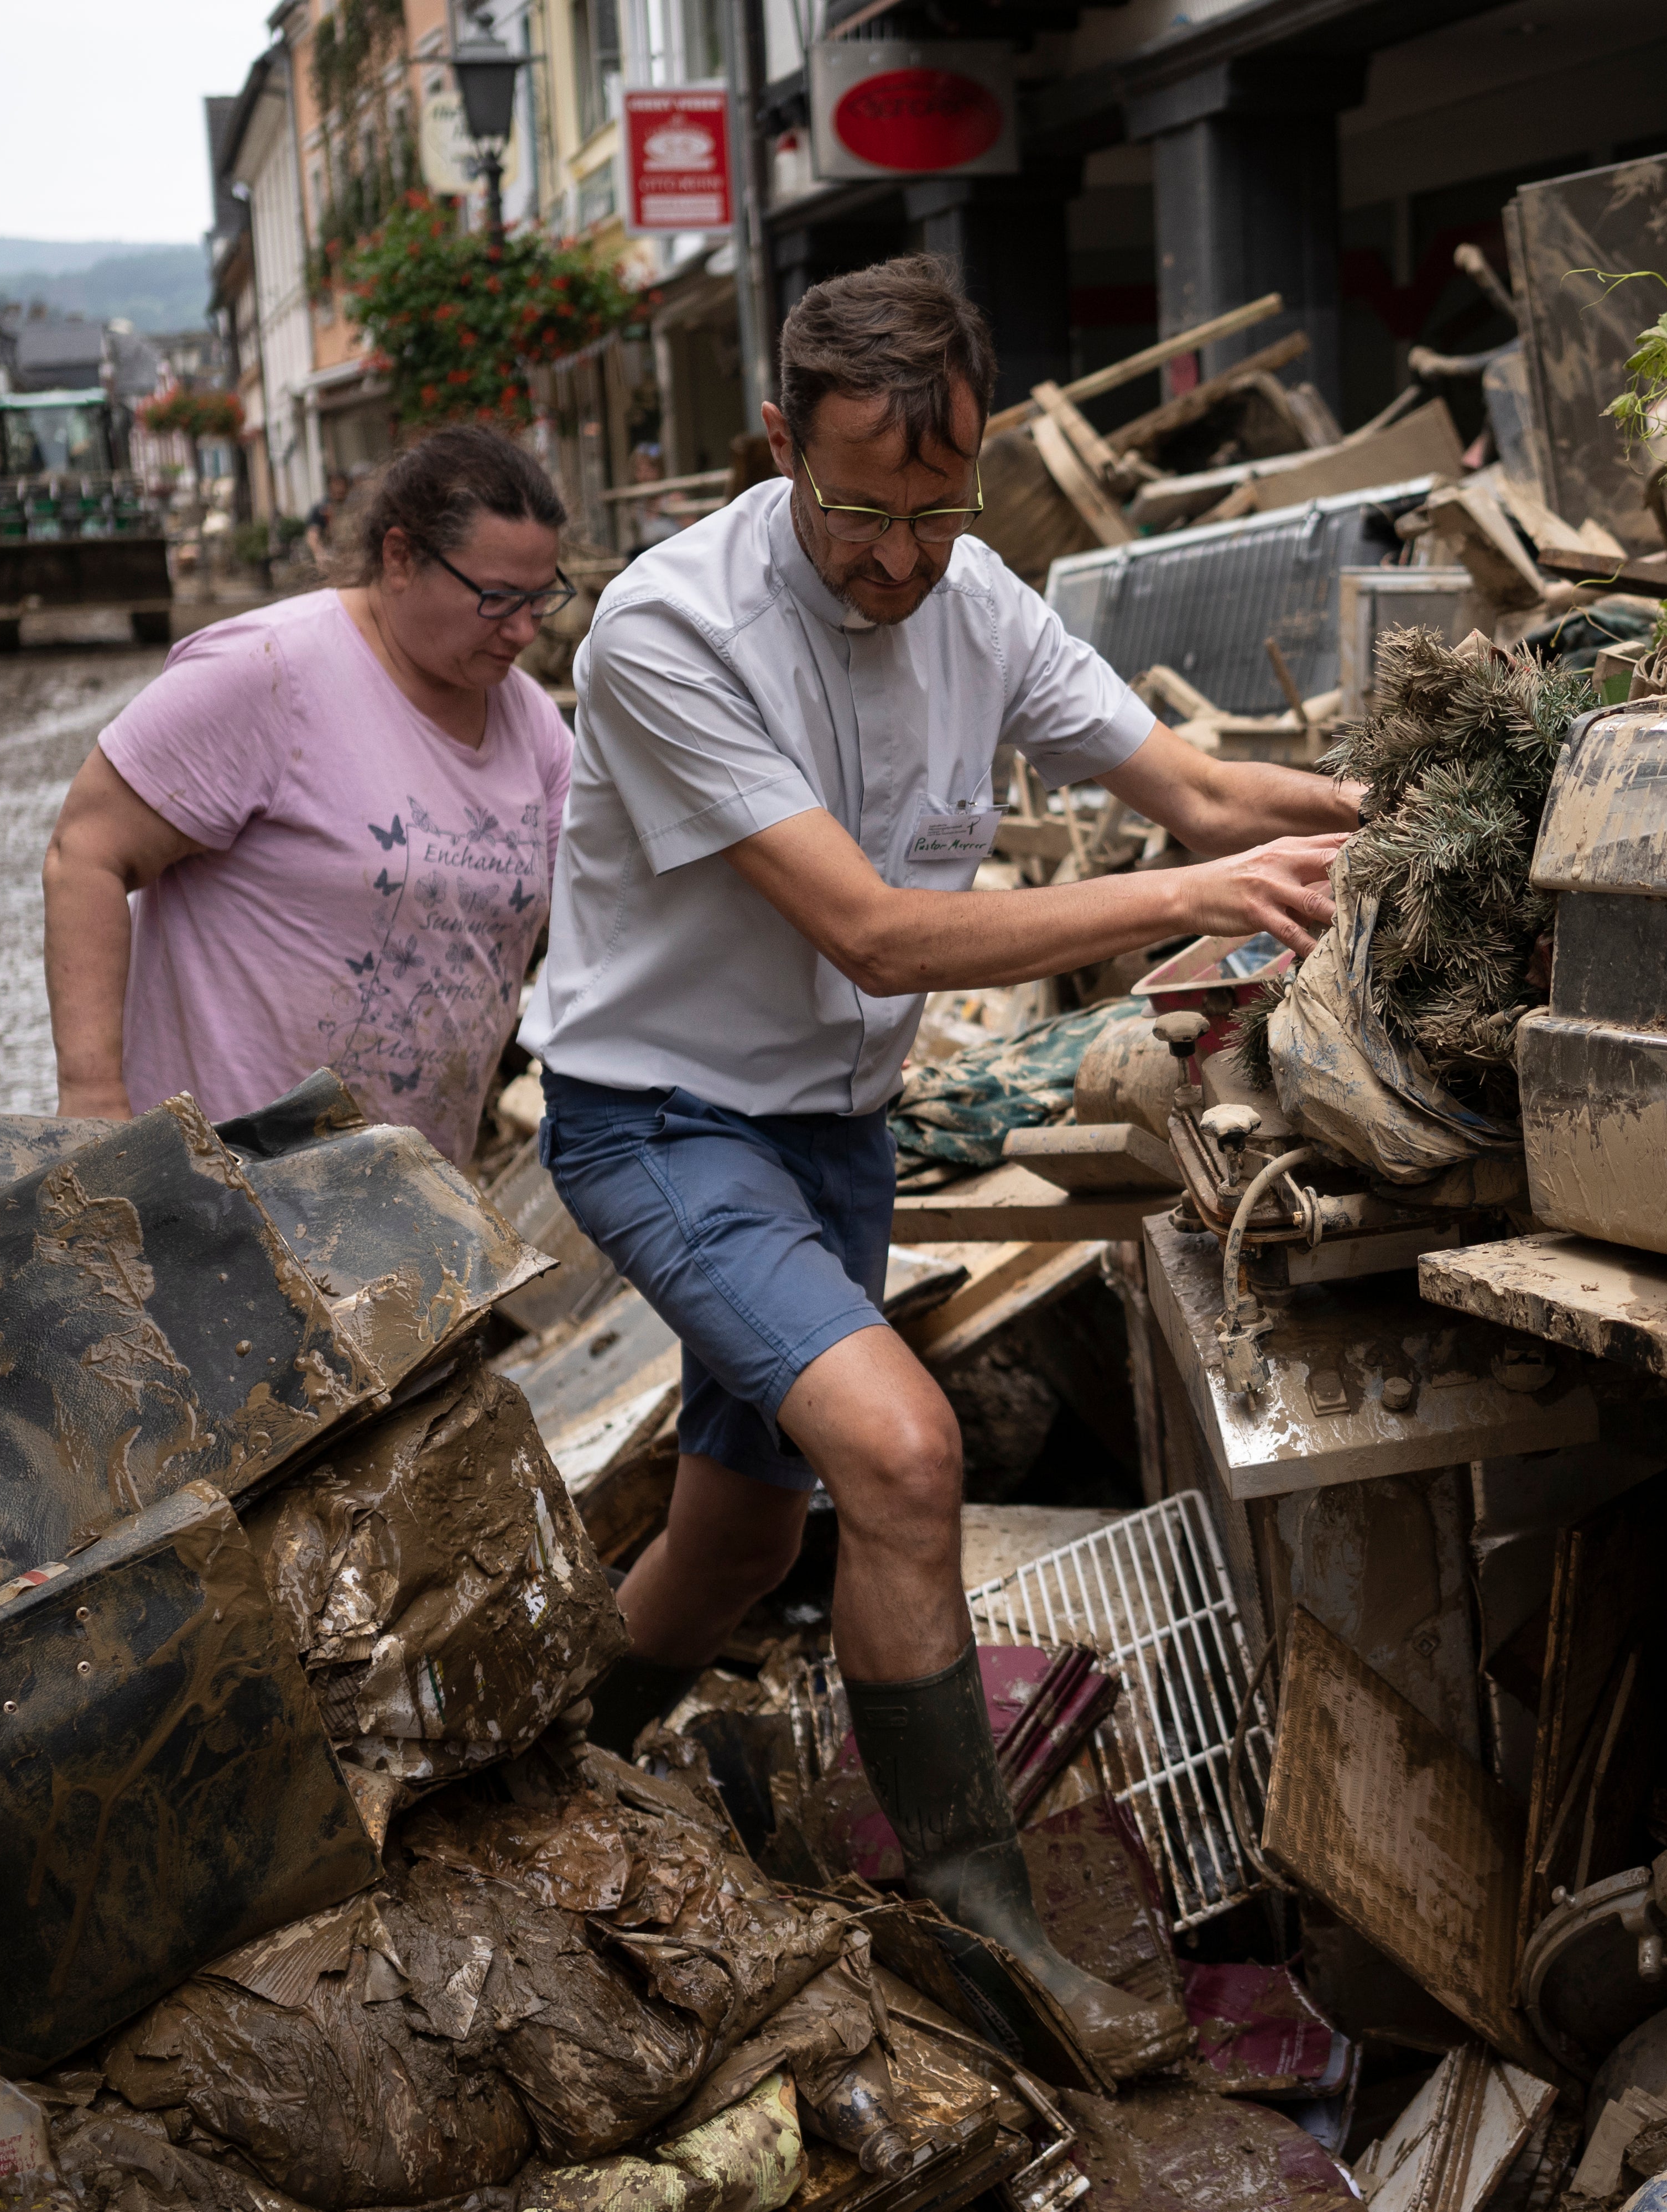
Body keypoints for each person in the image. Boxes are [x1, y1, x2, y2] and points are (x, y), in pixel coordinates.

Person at [522, 256, 1359, 2074]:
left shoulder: (976, 594)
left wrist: (1394, 807)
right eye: (858, 513)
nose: (900, 558)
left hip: (832, 1129)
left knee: (740, 1540)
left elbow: (1202, 795)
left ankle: (540, 1774)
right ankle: (981, 1919)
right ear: (778, 446)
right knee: (905, 1456)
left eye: (935, 510)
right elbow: (881, 936)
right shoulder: (667, 635)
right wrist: (1191, 899)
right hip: (661, 1120)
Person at [43, 423, 575, 1164]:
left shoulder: (535, 727)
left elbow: (586, 913)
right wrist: (94, 1103)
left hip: (409, 1200)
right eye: (495, 598)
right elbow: (86, 855)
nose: (523, 629)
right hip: (224, 1191)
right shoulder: (271, 672)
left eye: (542, 597)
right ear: (399, 557)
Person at [304, 467, 353, 570]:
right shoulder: (321, 509)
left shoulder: (354, 507)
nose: (339, 488)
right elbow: (313, 535)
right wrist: (320, 554)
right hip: (330, 557)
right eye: (336, 484)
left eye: (342, 484)